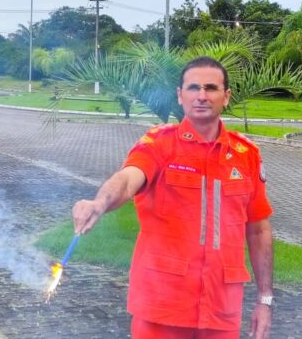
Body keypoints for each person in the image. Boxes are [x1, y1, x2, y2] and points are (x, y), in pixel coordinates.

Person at [72, 56, 274, 339]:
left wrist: (265, 300)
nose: (202, 96)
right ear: (180, 96)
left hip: (221, 309)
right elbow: (129, 178)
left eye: (211, 88)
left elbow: (259, 229)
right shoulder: (159, 144)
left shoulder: (246, 155)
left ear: (226, 96)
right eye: (193, 88)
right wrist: (100, 202)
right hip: (162, 305)